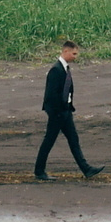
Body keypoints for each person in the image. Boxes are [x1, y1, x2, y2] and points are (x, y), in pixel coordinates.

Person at [35, 38, 102, 181]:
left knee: (73, 140)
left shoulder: (65, 68)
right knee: (49, 141)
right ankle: (39, 171)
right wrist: (56, 112)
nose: (75, 57)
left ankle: (86, 169)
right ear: (65, 51)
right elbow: (51, 95)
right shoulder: (56, 70)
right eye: (74, 54)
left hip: (65, 112)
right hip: (58, 113)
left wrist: (68, 108)